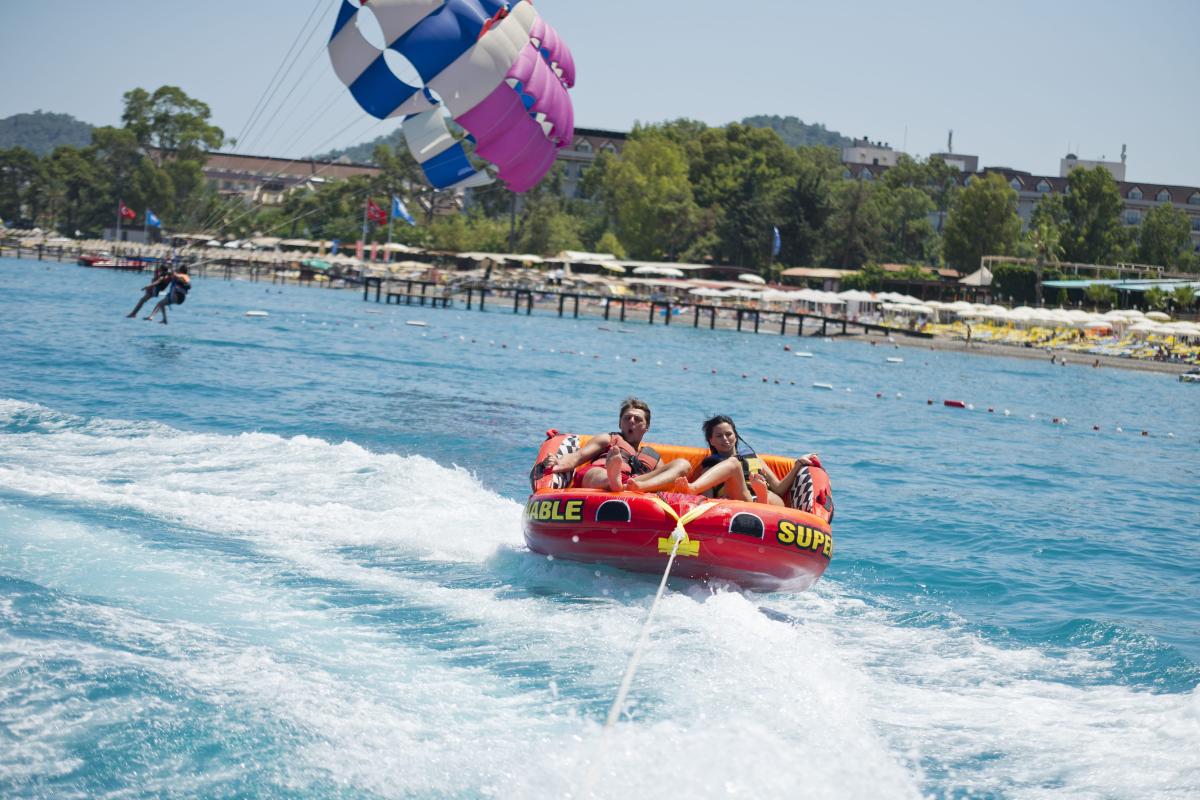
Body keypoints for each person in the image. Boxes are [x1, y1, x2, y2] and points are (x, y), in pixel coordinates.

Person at [544, 397, 692, 492]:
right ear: (620, 423)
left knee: (683, 464)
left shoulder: (654, 458)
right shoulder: (608, 439)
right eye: (627, 418)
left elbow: (665, 482)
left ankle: (629, 485)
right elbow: (578, 457)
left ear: (646, 427)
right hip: (600, 475)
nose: (632, 421)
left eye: (638, 419)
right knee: (599, 473)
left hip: (634, 484)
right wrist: (558, 462)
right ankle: (613, 480)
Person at [674, 415, 817, 507]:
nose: (725, 439)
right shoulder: (710, 468)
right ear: (711, 441)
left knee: (768, 493)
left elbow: (779, 488)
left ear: (735, 436)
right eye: (719, 436)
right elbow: (707, 500)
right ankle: (760, 499)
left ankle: (762, 497)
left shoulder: (754, 459)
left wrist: (798, 465)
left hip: (771, 502)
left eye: (728, 434)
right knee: (733, 464)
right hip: (743, 501)